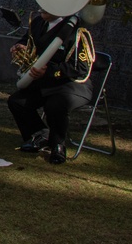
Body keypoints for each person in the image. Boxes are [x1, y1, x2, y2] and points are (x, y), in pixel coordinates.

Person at [7, 9, 93, 164]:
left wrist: (50, 72)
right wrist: (19, 46)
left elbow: (81, 68)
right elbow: (27, 40)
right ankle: (40, 135)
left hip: (70, 85)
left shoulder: (77, 30)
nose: (41, 9)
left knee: (55, 105)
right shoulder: (39, 22)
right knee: (16, 102)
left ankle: (57, 145)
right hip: (43, 82)